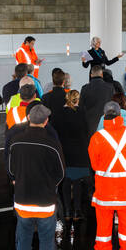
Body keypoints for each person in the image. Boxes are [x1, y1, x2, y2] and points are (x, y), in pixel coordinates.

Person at [7, 104, 65, 250]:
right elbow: (60, 173)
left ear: (28, 119)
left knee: (23, 240)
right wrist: (50, 186)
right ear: (46, 121)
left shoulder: (15, 141)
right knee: (46, 241)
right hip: (45, 201)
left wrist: (17, 180)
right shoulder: (52, 143)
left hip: (22, 200)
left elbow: (11, 170)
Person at [89, 101, 126, 250]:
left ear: (104, 116)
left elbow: (95, 165)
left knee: (103, 227)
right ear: (121, 115)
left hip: (104, 192)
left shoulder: (97, 138)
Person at [55, 89, 91, 222]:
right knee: (77, 182)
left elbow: (55, 132)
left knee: (66, 181)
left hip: (64, 151)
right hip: (79, 151)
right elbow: (87, 131)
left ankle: (66, 211)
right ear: (78, 100)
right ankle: (77, 211)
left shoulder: (59, 113)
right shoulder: (81, 112)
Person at [80, 64, 116, 134]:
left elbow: (81, 107)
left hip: (90, 125)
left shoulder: (85, 88)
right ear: (102, 75)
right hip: (107, 123)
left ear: (91, 75)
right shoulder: (110, 88)